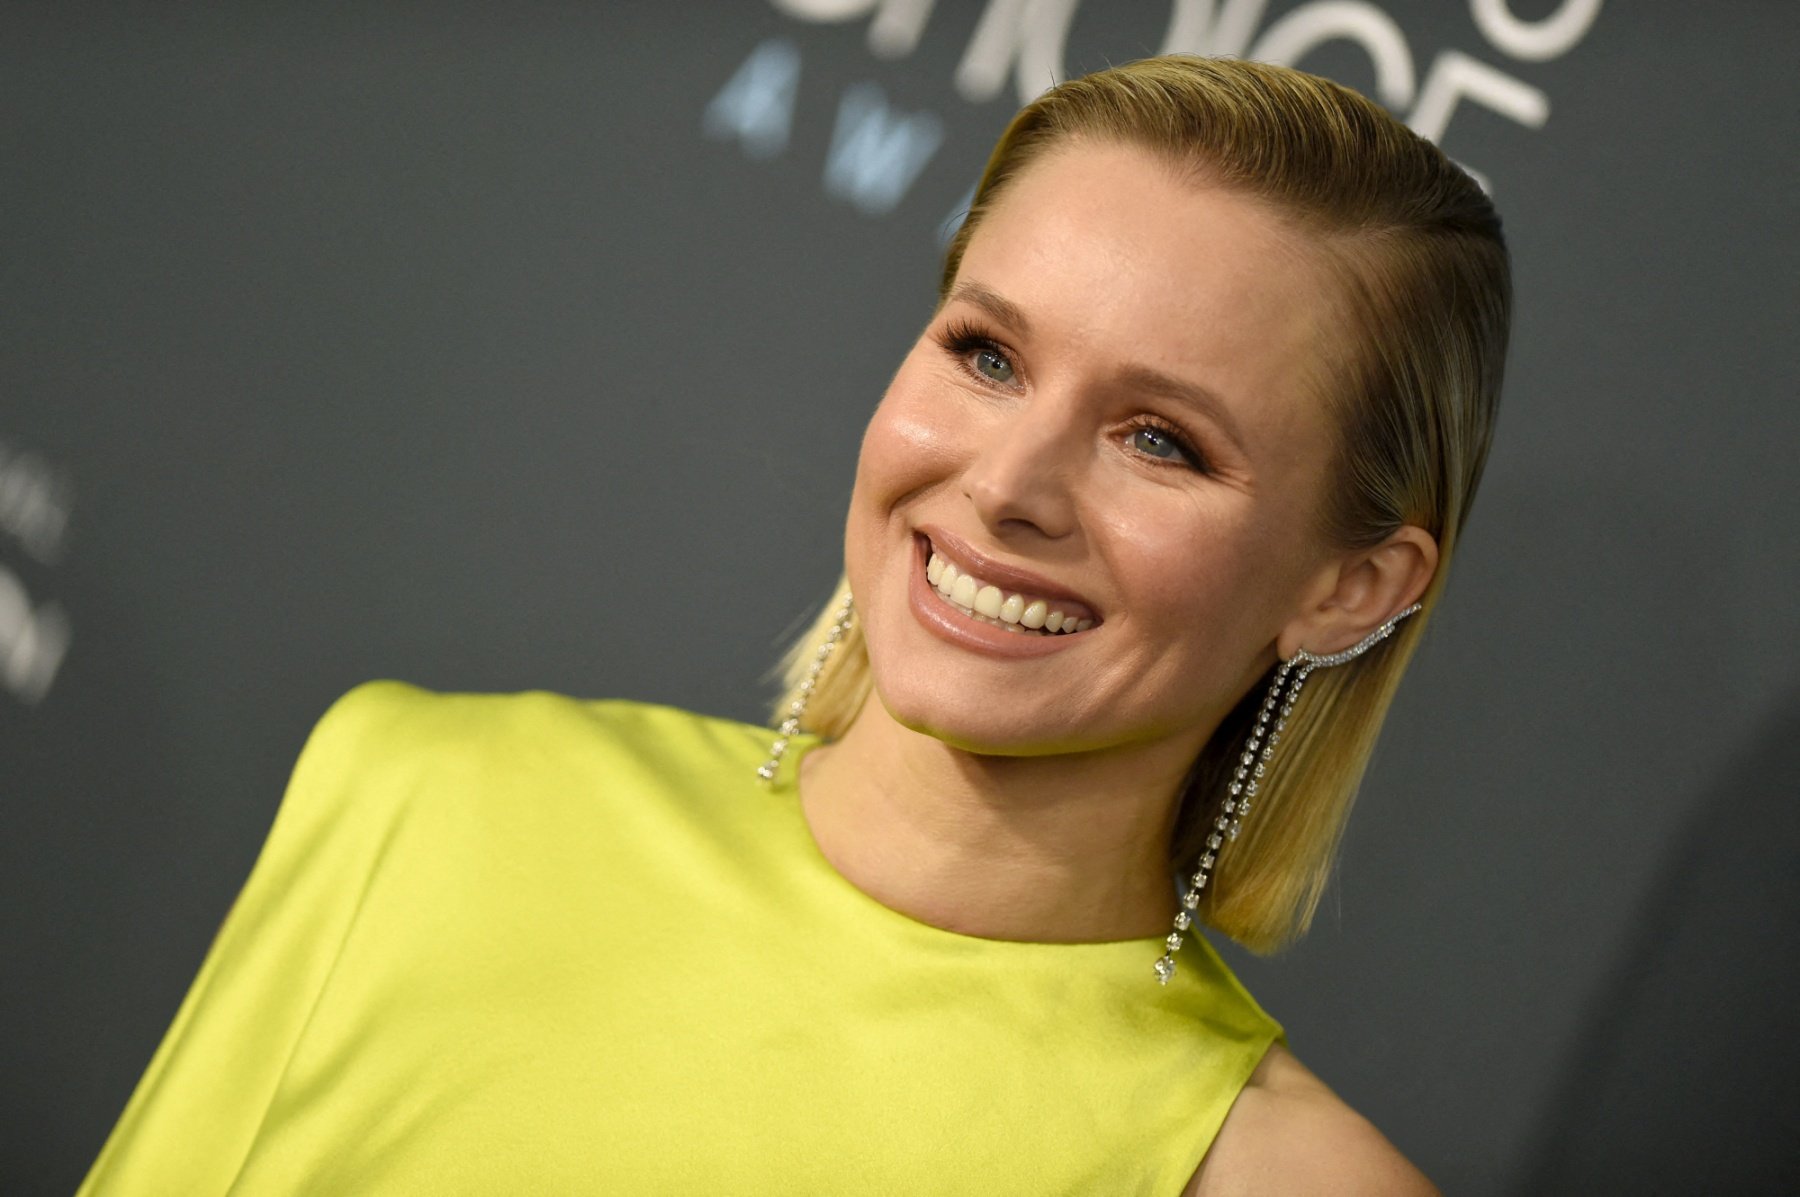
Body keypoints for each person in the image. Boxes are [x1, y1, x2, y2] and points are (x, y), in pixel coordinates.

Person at [79, 55, 1506, 1195]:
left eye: (1162, 441)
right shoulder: (420, 791)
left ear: (1351, 586)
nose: (1008, 485)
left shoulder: (1278, 1177)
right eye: (988, 353)